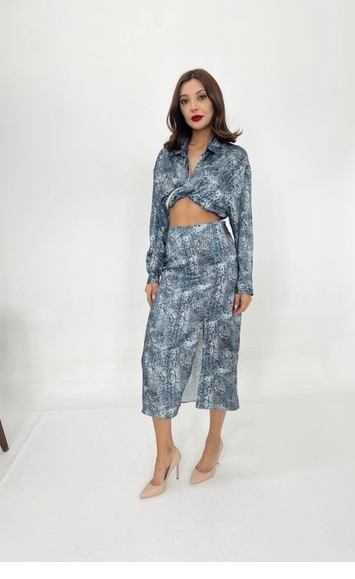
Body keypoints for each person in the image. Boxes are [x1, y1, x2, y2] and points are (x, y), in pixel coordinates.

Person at [140, 68, 254, 499]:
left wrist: (245, 281)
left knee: (218, 359)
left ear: (214, 101)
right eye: (185, 100)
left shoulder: (233, 158)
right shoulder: (166, 157)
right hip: (175, 267)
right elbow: (157, 218)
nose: (194, 106)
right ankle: (164, 453)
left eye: (201, 97)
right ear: (179, 108)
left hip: (219, 266)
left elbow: (244, 223)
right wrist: (154, 271)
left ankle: (212, 443)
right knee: (157, 356)